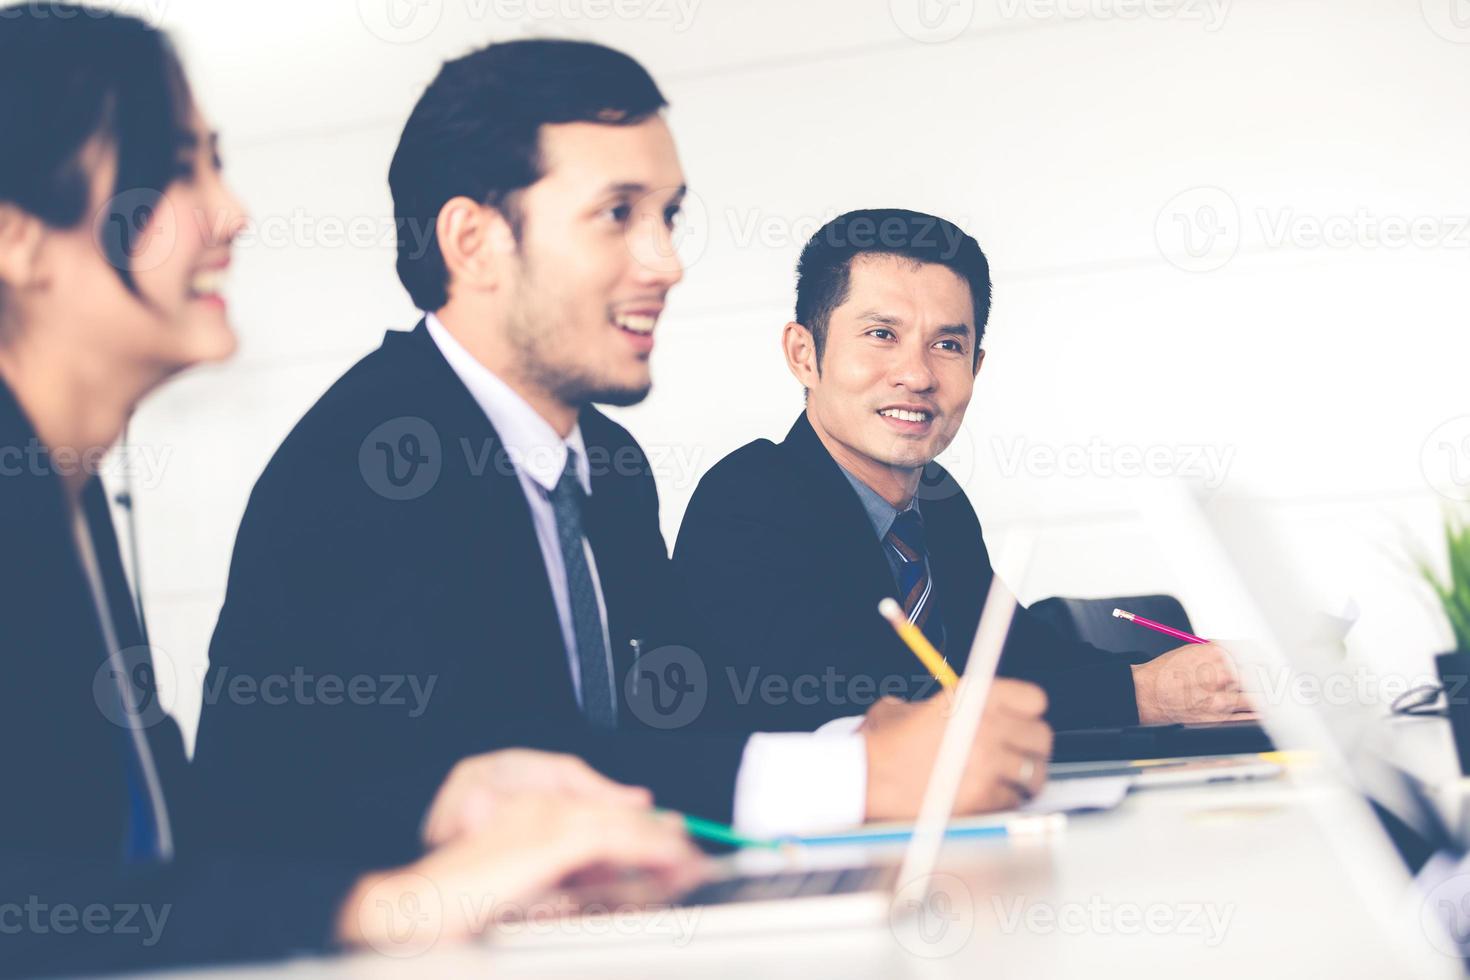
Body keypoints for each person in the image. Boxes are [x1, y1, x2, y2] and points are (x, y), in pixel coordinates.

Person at [189, 38, 1053, 857]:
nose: (667, 262)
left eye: (668, 216)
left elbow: (684, 718)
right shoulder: (375, 461)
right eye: (618, 214)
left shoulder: (608, 464)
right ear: (473, 242)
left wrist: (863, 738)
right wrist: (850, 774)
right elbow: (482, 780)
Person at [0, 9, 702, 975]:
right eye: (173, 167)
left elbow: (155, 859)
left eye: (215, 161)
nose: (234, 211)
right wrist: (393, 901)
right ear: (16, 235)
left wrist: (449, 797)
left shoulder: (60, 497)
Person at [672, 209, 1255, 735]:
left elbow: (1020, 660)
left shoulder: (937, 500)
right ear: (804, 353)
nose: (918, 375)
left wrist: (1193, 677)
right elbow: (877, 709)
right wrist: (1142, 694)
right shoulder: (749, 500)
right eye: (882, 335)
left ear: (976, 367)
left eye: (947, 345)